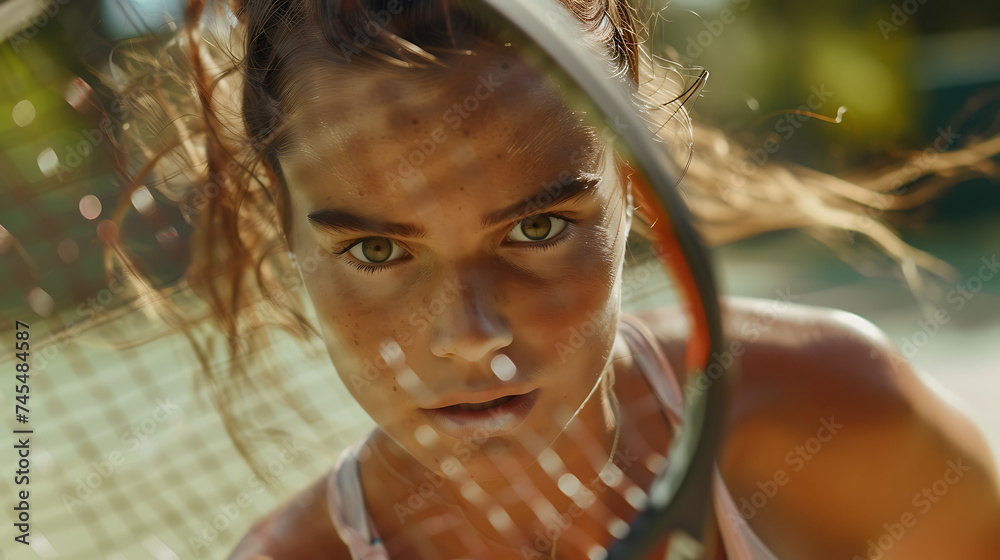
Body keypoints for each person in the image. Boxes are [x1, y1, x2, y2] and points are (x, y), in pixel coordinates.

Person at [109, 0, 1000, 558]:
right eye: (377, 252)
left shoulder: (834, 410)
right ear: (283, 228)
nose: (471, 333)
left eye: (537, 229)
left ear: (633, 185)